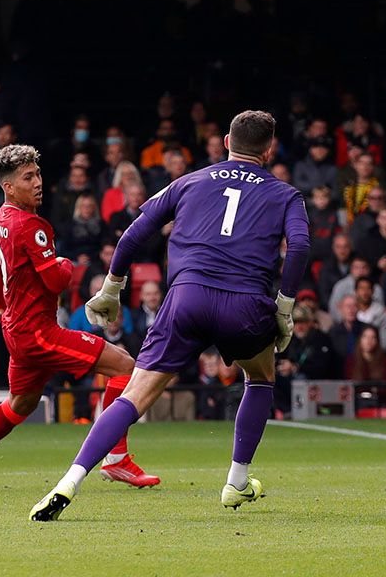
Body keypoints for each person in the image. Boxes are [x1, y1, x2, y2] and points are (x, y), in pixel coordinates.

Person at [32, 110, 309, 520]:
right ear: (268, 150)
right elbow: (300, 247)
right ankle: (236, 480)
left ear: (227, 144)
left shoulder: (190, 180)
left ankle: (68, 482)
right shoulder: (285, 194)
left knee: (135, 395)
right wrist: (284, 307)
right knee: (261, 377)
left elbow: (134, 232)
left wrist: (111, 287)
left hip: (186, 299)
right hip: (245, 305)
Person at [0, 144, 157, 492]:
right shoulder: (30, 225)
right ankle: (116, 459)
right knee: (124, 366)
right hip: (38, 333)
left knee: (21, 403)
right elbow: (58, 279)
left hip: (18, 330)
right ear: (9, 186)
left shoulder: (2, 218)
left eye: (38, 174)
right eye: (28, 177)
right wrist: (68, 264)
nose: (38, 182)